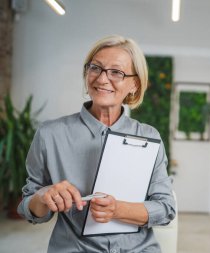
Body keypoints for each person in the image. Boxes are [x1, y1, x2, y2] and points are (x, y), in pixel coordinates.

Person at [17, 35, 176, 252]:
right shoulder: (50, 134)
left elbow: (165, 208)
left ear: (134, 84)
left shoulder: (149, 137)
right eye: (95, 68)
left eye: (116, 72)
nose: (102, 79)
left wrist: (118, 210)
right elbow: (28, 207)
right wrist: (43, 198)